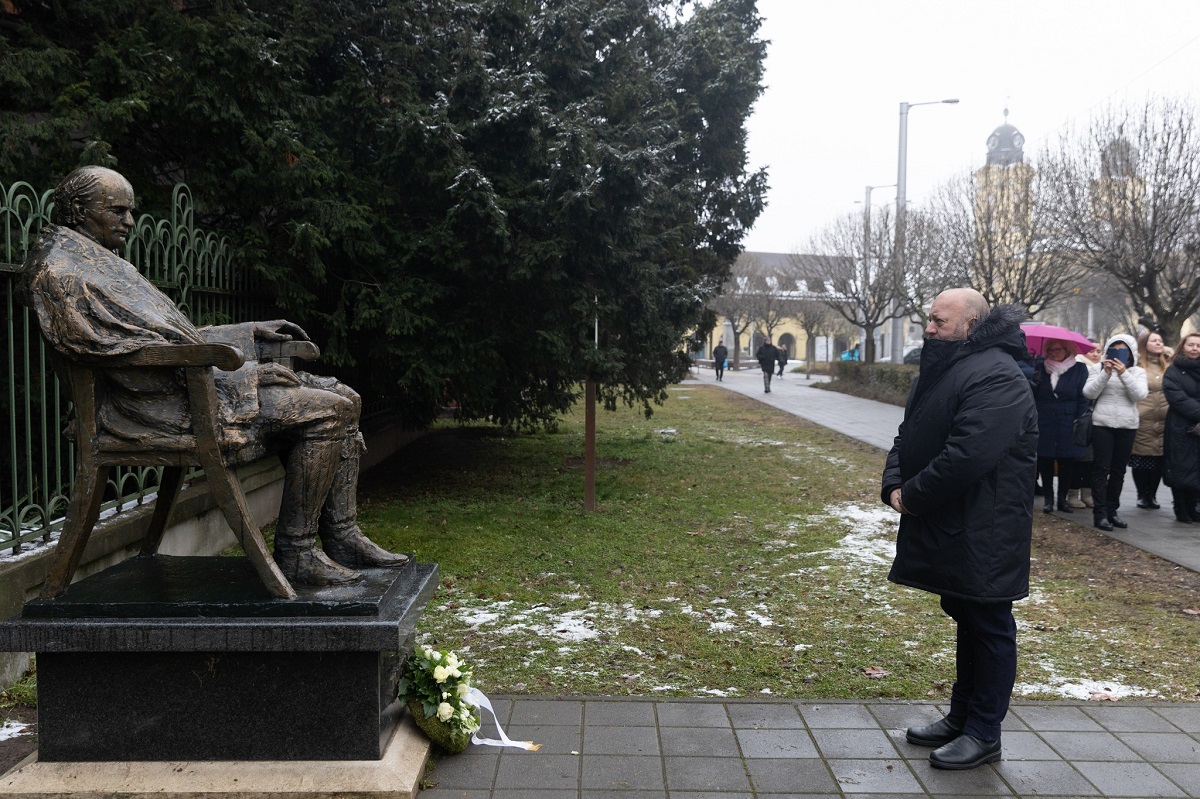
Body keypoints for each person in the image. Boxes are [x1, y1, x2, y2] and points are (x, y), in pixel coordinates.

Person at [20, 166, 409, 586]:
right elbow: (129, 356)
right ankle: (297, 552)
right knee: (328, 412)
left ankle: (343, 534)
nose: (128, 222)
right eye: (117, 211)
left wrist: (246, 335)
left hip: (184, 387)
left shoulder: (95, 260)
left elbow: (166, 337)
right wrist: (248, 375)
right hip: (151, 409)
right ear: (78, 210)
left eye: (130, 212)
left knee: (346, 397)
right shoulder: (59, 273)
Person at [883, 288, 1036, 770]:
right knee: (969, 618)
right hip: (957, 523)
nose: (929, 328)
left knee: (989, 624)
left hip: (986, 528)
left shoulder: (998, 375)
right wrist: (892, 483)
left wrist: (913, 495)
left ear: (970, 325)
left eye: (939, 321)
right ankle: (962, 717)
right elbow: (909, 434)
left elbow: (968, 455)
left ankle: (983, 731)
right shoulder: (949, 366)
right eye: (928, 319)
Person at [1083, 334, 1148, 531]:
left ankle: (1113, 511)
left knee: (1119, 471)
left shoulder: (1137, 372)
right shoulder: (1098, 369)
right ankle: (1100, 513)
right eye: (1114, 350)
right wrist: (1106, 373)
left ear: (1130, 354)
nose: (1118, 354)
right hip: (1102, 423)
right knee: (1101, 468)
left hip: (1127, 425)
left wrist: (1123, 373)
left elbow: (1140, 395)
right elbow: (1088, 393)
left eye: (1123, 351)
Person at [1030, 340, 1091, 514]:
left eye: (1057, 349)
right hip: (1045, 420)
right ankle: (1049, 499)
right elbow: (1033, 394)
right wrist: (1034, 382)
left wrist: (1079, 419)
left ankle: (1062, 499)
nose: (1053, 353)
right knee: (1045, 460)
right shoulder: (1040, 368)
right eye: (1049, 350)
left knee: (1067, 462)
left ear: (1067, 350)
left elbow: (1083, 397)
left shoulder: (1079, 369)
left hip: (1068, 420)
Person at [1162, 332, 1200, 523]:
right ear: (1182, 347)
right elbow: (1176, 397)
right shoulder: (1173, 371)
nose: (1194, 349)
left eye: (1198, 346)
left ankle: (1195, 505)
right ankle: (1180, 506)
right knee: (1181, 466)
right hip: (1181, 425)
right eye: (1191, 345)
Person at [1131, 330, 1171, 510]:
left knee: (1158, 460)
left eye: (1160, 341)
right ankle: (1141, 494)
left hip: (1164, 419)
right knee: (1141, 458)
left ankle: (1152, 495)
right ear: (1144, 343)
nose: (1158, 343)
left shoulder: (1168, 364)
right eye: (1154, 340)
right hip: (1143, 418)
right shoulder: (1138, 365)